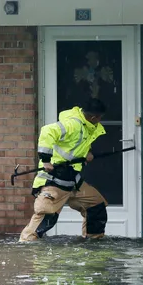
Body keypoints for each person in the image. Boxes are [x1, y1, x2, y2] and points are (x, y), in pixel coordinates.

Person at [19, 99, 109, 242]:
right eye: (100, 118)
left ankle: (94, 243)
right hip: (55, 180)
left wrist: (87, 152)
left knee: (96, 206)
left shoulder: (87, 126)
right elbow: (47, 131)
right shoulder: (73, 124)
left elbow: (79, 143)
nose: (100, 121)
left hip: (73, 181)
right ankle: (26, 246)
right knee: (46, 216)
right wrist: (46, 159)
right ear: (94, 117)